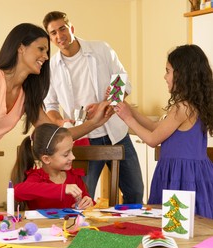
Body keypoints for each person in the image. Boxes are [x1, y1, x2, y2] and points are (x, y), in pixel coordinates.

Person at [0, 23, 112, 213]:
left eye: (47, 51)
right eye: (40, 49)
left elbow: (56, 136)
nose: (46, 56)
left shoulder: (26, 96)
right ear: (20, 47)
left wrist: (95, 122)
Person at [42, 11, 144, 204]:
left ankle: (130, 232)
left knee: (136, 192)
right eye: (53, 33)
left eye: (62, 29)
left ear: (71, 28)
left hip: (117, 134)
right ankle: (84, 233)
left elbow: (122, 80)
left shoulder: (101, 49)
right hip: (83, 139)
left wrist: (105, 105)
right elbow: (51, 104)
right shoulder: (50, 67)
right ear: (50, 38)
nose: (59, 35)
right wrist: (60, 121)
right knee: (81, 198)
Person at [114, 44, 213, 219]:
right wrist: (129, 109)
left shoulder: (182, 107)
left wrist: (128, 118)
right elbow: (156, 128)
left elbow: (153, 139)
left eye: (168, 71)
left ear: (182, 75)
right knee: (193, 222)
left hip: (180, 175)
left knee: (176, 222)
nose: (165, 76)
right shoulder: (193, 105)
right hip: (192, 173)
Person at [11, 123, 94, 210]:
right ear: (46, 159)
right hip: (42, 224)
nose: (73, 157)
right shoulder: (37, 178)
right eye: (66, 154)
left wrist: (88, 203)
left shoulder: (74, 177)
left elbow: (87, 201)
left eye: (71, 151)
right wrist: (62, 189)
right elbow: (17, 191)